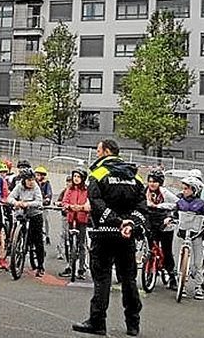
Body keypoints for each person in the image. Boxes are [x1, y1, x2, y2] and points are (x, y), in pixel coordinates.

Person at [73, 139, 146, 337]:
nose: (96, 154)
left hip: (103, 233)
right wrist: (129, 223)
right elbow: (142, 207)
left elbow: (96, 202)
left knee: (102, 278)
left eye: (98, 151)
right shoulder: (135, 176)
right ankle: (133, 324)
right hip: (127, 235)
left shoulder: (98, 173)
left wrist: (115, 221)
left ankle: (97, 322)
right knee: (128, 279)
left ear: (106, 151)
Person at [174, 176, 204, 300]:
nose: (184, 191)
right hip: (183, 233)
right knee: (181, 259)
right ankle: (181, 284)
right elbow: (173, 212)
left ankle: (198, 286)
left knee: (198, 262)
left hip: (196, 233)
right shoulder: (180, 202)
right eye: (183, 189)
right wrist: (169, 218)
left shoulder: (200, 204)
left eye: (187, 189)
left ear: (194, 190)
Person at [8, 170, 46, 277]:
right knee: (21, 236)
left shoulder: (36, 187)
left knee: (38, 240)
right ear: (24, 180)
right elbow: (9, 197)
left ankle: (40, 266)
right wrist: (16, 202)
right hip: (23, 214)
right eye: (29, 180)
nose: (31, 182)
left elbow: (39, 202)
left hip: (35, 214)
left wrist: (27, 204)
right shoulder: (19, 186)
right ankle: (17, 254)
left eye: (33, 180)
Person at [145, 169, 178, 290]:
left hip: (164, 222)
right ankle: (150, 272)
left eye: (155, 182)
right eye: (150, 181)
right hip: (150, 222)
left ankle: (172, 277)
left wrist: (159, 206)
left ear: (160, 183)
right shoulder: (144, 192)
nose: (152, 184)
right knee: (151, 249)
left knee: (167, 251)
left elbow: (177, 204)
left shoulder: (165, 193)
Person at [59, 169, 90, 280]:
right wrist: (69, 206)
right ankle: (70, 266)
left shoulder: (87, 190)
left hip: (82, 220)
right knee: (70, 243)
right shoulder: (70, 189)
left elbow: (89, 203)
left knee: (81, 244)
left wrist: (82, 208)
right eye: (74, 176)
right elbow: (64, 201)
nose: (76, 178)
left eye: (78, 176)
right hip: (71, 219)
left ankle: (81, 269)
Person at [36, 166, 53, 245]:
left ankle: (46, 235)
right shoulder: (34, 183)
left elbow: (49, 193)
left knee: (44, 220)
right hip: (35, 205)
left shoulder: (46, 183)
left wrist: (47, 199)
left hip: (43, 206)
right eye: (37, 174)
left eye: (40, 175)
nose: (38, 176)